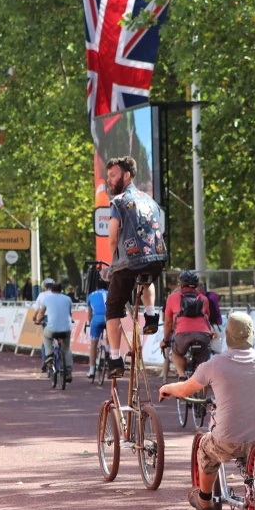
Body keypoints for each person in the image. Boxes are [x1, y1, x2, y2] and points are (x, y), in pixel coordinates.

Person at [159, 312, 255, 510]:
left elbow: (185, 389)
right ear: (253, 334)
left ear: (226, 336)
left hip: (226, 441)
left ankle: (204, 500)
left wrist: (168, 387)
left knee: (205, 448)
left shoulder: (213, 365)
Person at [102, 156, 167, 378]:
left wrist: (112, 265)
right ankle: (151, 317)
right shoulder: (151, 201)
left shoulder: (118, 202)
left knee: (112, 307)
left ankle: (115, 359)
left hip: (128, 262)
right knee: (146, 277)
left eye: (113, 175)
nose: (109, 180)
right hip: (156, 257)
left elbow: (112, 239)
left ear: (126, 175)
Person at [162, 270, 213, 380]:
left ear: (180, 284)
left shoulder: (172, 298)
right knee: (203, 363)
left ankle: (182, 376)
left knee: (176, 354)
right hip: (203, 334)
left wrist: (165, 340)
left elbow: (168, 322)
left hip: (182, 334)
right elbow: (208, 318)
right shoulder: (204, 299)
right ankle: (202, 387)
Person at [34, 281, 75, 382]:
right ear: (62, 290)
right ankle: (68, 369)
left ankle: (49, 355)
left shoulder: (47, 299)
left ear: (51, 290)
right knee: (66, 348)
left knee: (46, 336)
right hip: (66, 328)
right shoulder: (68, 299)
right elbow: (69, 313)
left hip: (51, 328)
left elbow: (41, 313)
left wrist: (38, 320)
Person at [86, 278, 109, 380]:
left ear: (96, 287)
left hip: (97, 319)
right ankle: (108, 354)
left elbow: (90, 313)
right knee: (110, 340)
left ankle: (91, 370)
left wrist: (90, 323)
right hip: (109, 318)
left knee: (93, 344)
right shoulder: (110, 292)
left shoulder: (91, 295)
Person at [32, 277, 56, 372]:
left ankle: (45, 362)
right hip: (58, 318)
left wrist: (35, 317)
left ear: (45, 286)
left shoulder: (42, 295)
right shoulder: (57, 294)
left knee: (45, 341)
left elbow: (38, 308)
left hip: (46, 318)